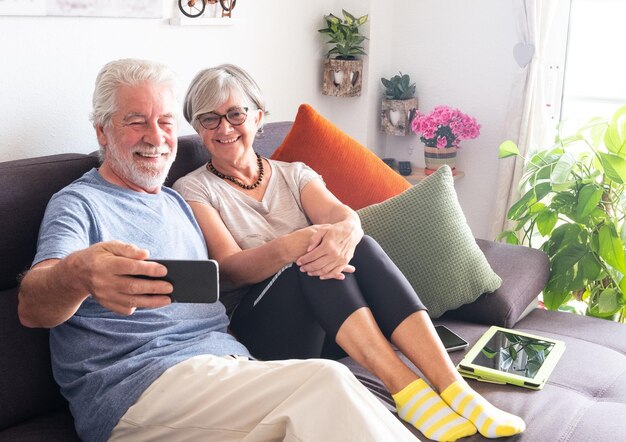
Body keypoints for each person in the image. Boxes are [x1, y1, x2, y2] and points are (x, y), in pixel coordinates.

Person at [17, 58, 418, 442]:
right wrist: (78, 273)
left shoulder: (175, 203)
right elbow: (33, 305)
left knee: (327, 399)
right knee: (326, 383)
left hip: (225, 368)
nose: (155, 138)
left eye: (165, 122)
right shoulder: (79, 203)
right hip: (139, 387)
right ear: (102, 132)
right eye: (136, 122)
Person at [174, 63, 527, 442]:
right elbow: (231, 269)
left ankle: (456, 390)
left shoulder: (294, 174)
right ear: (198, 128)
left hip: (331, 328)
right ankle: (406, 390)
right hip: (265, 332)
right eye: (209, 119)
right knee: (310, 262)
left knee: (360, 244)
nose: (224, 128)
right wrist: (297, 244)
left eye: (235, 114)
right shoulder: (194, 188)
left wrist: (344, 231)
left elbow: (344, 218)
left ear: (258, 117)